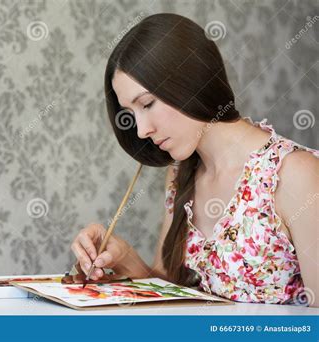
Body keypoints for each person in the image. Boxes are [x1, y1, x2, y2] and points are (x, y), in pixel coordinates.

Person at [71, 13, 318, 306]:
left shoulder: (296, 175)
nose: (141, 130)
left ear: (191, 81)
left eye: (147, 104)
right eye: (131, 113)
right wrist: (123, 257)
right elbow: (172, 297)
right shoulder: (180, 176)